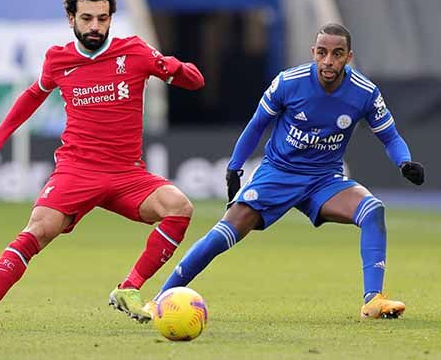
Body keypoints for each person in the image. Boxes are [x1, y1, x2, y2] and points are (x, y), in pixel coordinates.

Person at [0, 0, 205, 330]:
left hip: (126, 173)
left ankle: (129, 289)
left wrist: (171, 68)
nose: (95, 26)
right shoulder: (59, 60)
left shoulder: (134, 51)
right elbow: (31, 96)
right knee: (37, 231)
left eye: (102, 19)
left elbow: (195, 81)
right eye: (87, 18)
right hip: (77, 170)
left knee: (179, 209)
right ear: (70, 18)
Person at [154, 23, 425, 319]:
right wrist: (234, 167)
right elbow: (257, 125)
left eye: (337, 54)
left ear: (348, 57)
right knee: (223, 233)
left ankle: (372, 300)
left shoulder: (364, 92)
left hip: (325, 180)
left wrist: (404, 161)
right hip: (279, 174)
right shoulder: (288, 82)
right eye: (322, 53)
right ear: (313, 53)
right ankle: (159, 300)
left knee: (372, 210)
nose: (328, 61)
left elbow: (390, 136)